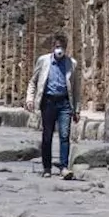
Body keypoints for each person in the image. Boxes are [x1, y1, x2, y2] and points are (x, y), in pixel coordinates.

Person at [27, 33, 79, 179]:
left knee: (64, 135)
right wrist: (30, 99)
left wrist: (77, 109)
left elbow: (76, 89)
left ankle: (64, 167)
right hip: (48, 102)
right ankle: (47, 167)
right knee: (47, 136)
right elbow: (33, 81)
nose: (59, 50)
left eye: (62, 47)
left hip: (64, 103)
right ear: (52, 47)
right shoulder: (43, 61)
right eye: (57, 47)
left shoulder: (72, 64)